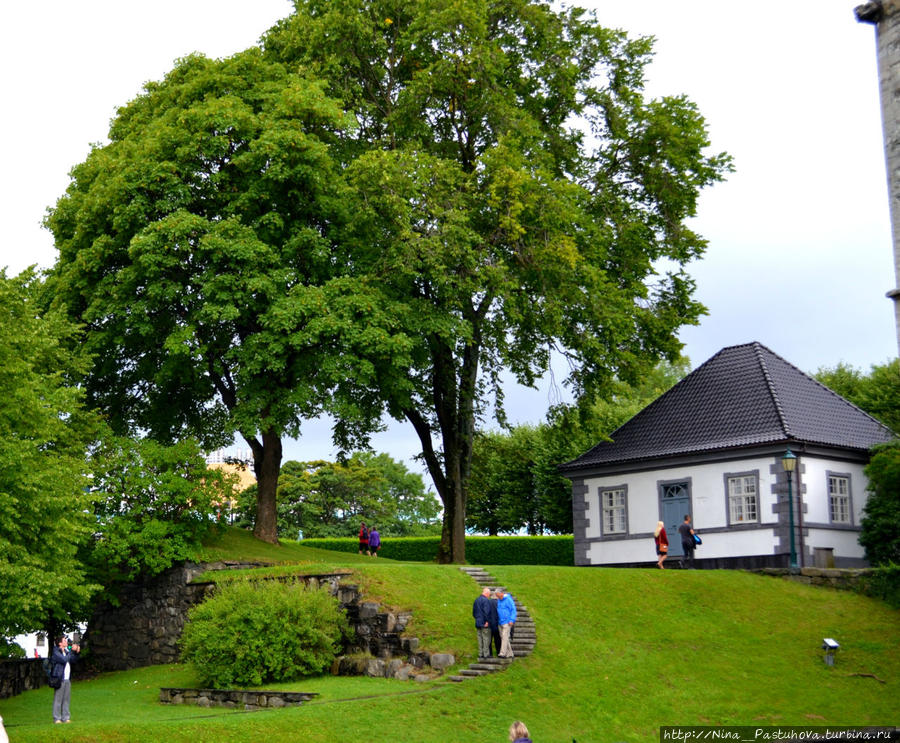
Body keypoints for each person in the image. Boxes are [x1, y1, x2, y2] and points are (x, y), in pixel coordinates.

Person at [49, 635, 80, 724]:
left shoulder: (66, 651)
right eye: (64, 640)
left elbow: (73, 660)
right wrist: (71, 651)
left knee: (66, 699)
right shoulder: (56, 652)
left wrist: (76, 652)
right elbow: (64, 660)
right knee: (58, 700)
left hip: (67, 679)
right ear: (60, 643)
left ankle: (65, 718)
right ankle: (57, 718)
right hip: (59, 678)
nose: (66, 642)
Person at [472, 587, 493, 659]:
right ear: (487, 593)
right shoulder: (486, 601)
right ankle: (486, 654)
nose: (489, 596)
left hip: (478, 622)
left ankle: (480, 654)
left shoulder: (476, 600)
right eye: (489, 595)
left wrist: (477, 619)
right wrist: (487, 621)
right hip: (484, 623)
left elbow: (474, 612)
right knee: (486, 639)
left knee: (480, 639)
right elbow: (486, 612)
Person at [496, 589, 517, 658]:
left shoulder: (508, 600)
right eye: (496, 596)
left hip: (507, 622)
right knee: (503, 637)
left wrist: (512, 620)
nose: (497, 597)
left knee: (505, 637)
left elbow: (513, 610)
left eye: (498, 595)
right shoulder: (499, 600)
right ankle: (510, 653)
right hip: (500, 622)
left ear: (501, 593)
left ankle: (502, 653)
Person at [488, 589, 501, 657]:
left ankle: (490, 654)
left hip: (489, 624)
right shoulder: (499, 603)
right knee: (498, 640)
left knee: (489, 640)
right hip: (497, 623)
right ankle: (499, 652)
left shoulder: (488, 602)